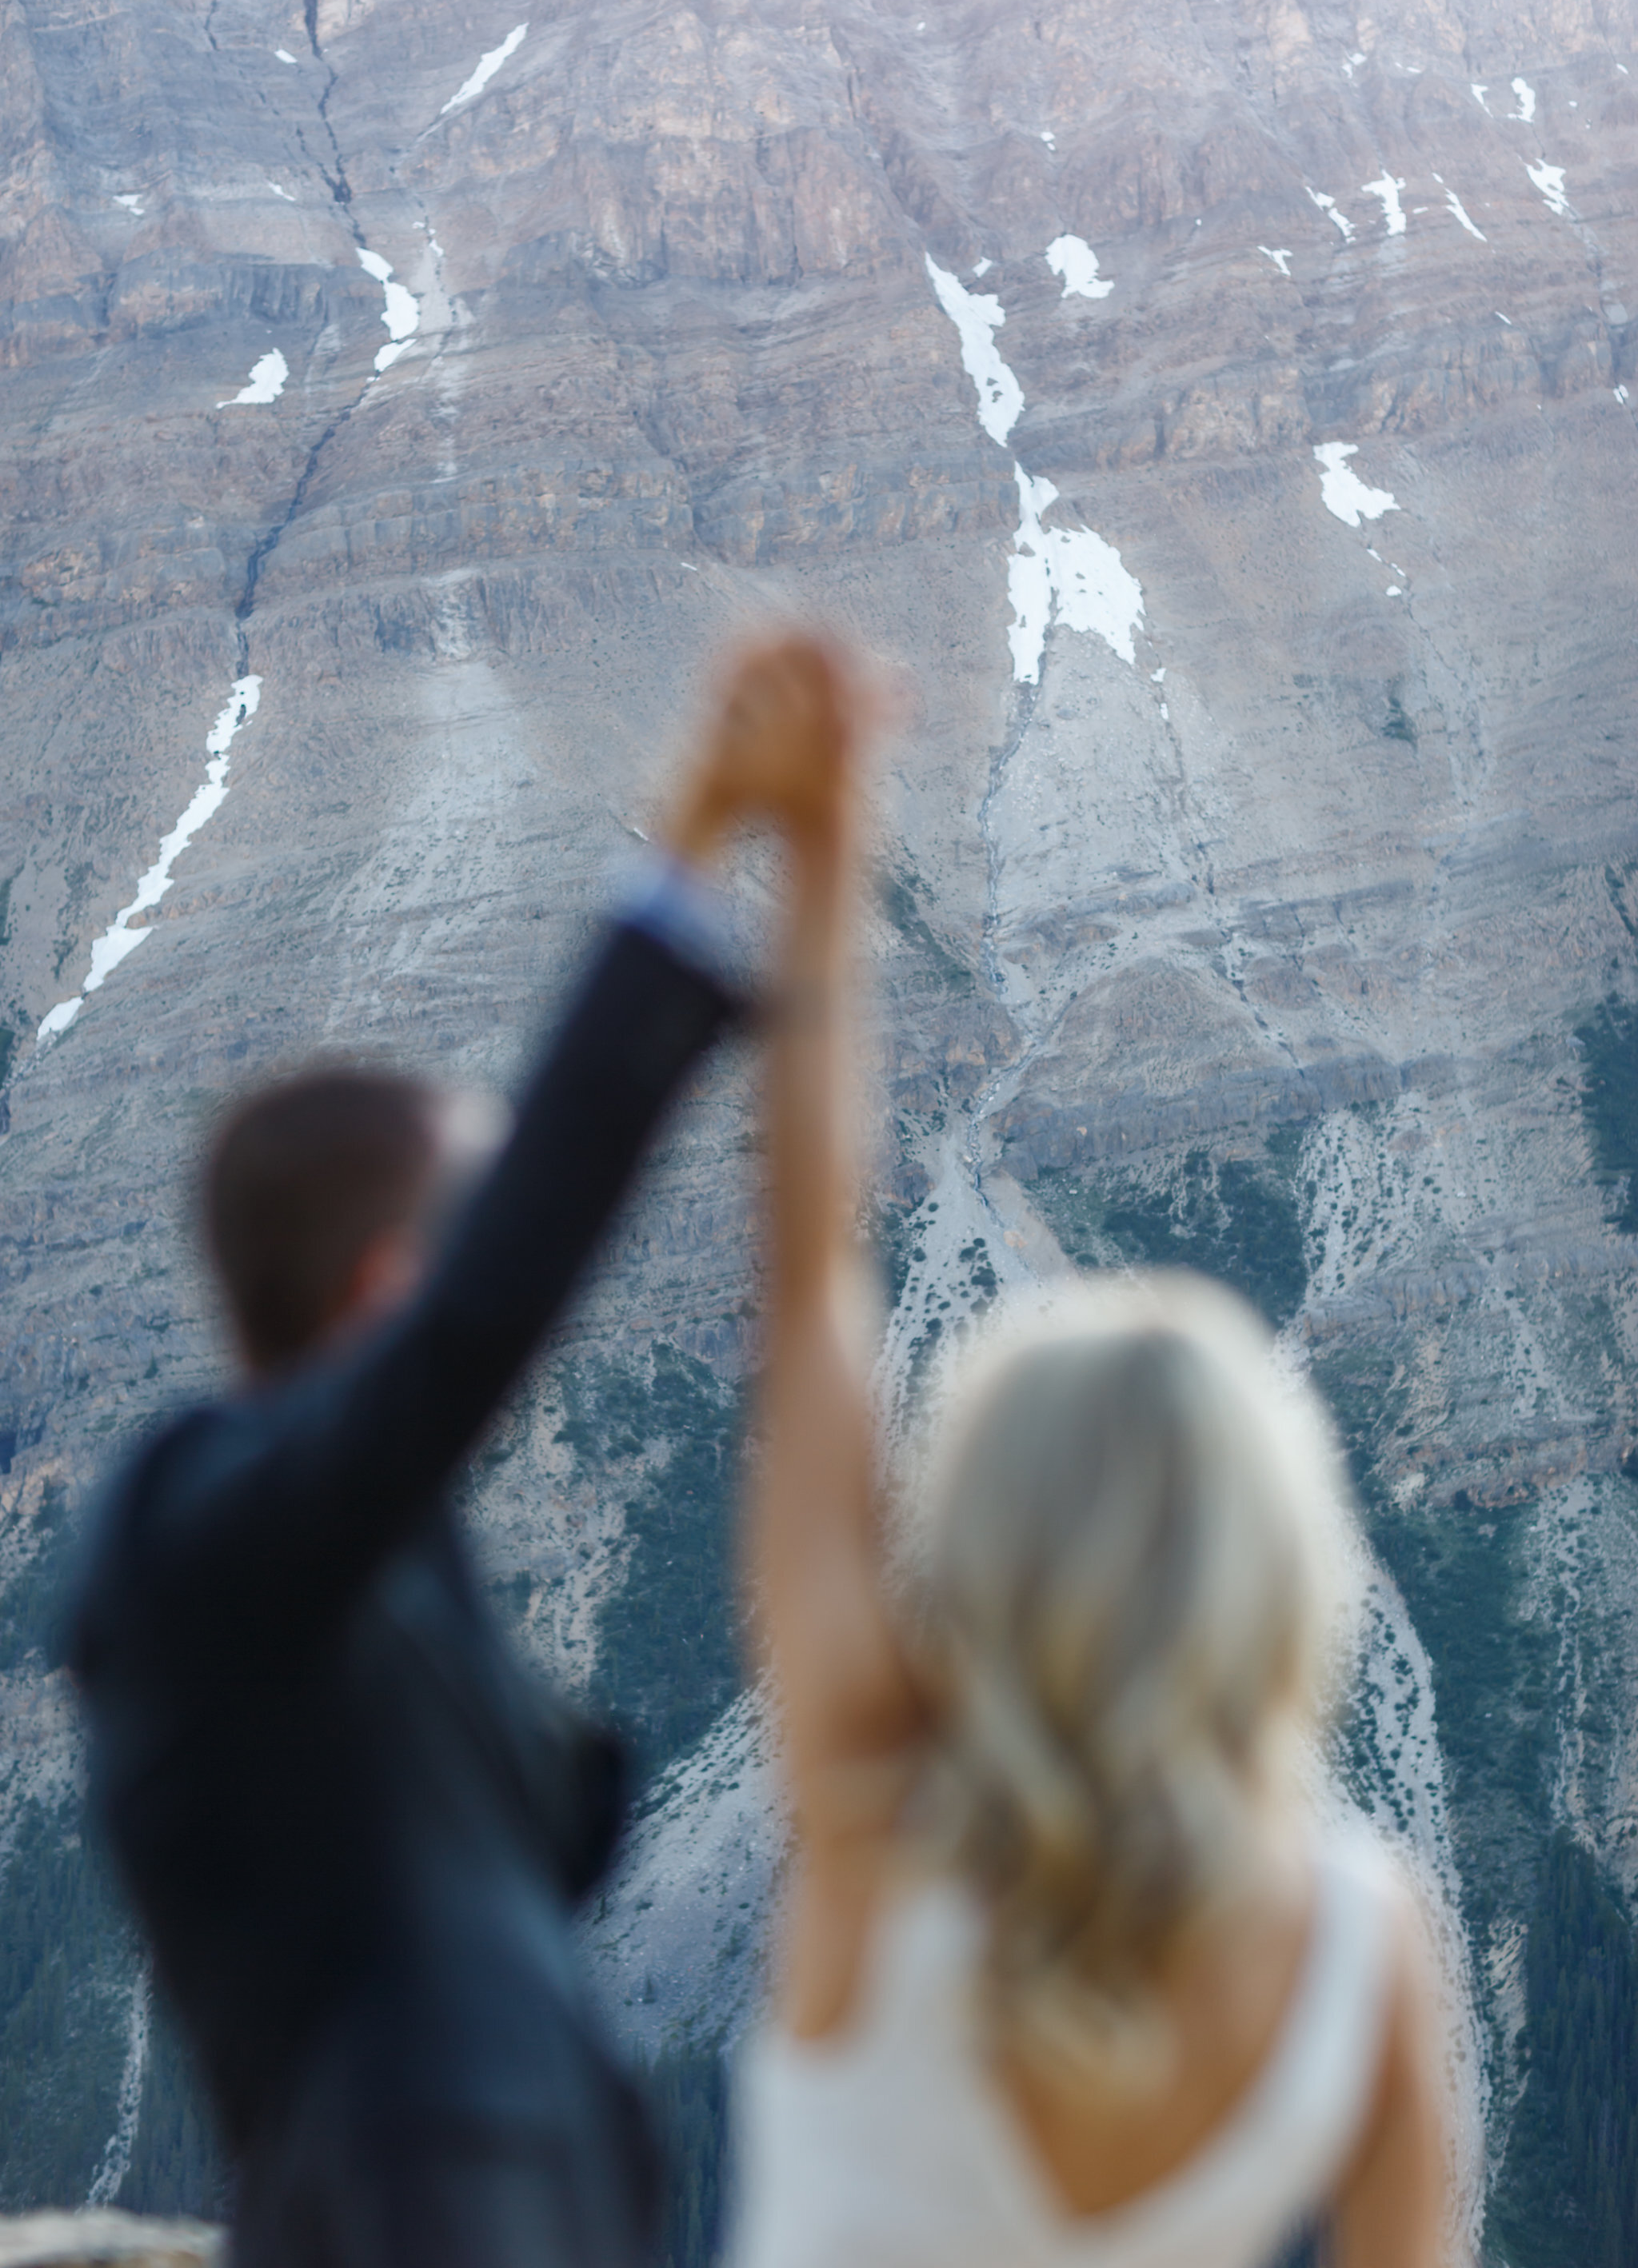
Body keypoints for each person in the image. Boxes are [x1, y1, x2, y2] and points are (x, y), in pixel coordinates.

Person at [68, 635, 842, 2268]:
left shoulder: (385, 1563)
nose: (514, 1243)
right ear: (388, 1284)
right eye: (474, 1211)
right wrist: (681, 865)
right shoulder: (185, 1538)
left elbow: (545, 1846)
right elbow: (486, 1323)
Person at [726, 645, 1453, 2268]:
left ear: (978, 1532)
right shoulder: (1360, 1944)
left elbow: (808, 1302)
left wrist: (827, 857)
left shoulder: (867, 1826)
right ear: (1278, 1565)